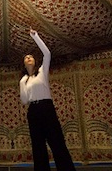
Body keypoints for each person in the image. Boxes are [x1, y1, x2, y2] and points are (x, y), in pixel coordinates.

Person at [20, 29, 75, 171]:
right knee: (38, 146)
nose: (29, 58)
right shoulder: (24, 80)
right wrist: (22, 83)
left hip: (46, 108)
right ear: (24, 63)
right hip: (33, 111)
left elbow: (47, 53)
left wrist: (35, 36)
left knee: (57, 142)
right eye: (26, 57)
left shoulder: (42, 72)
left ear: (35, 61)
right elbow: (24, 101)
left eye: (31, 56)